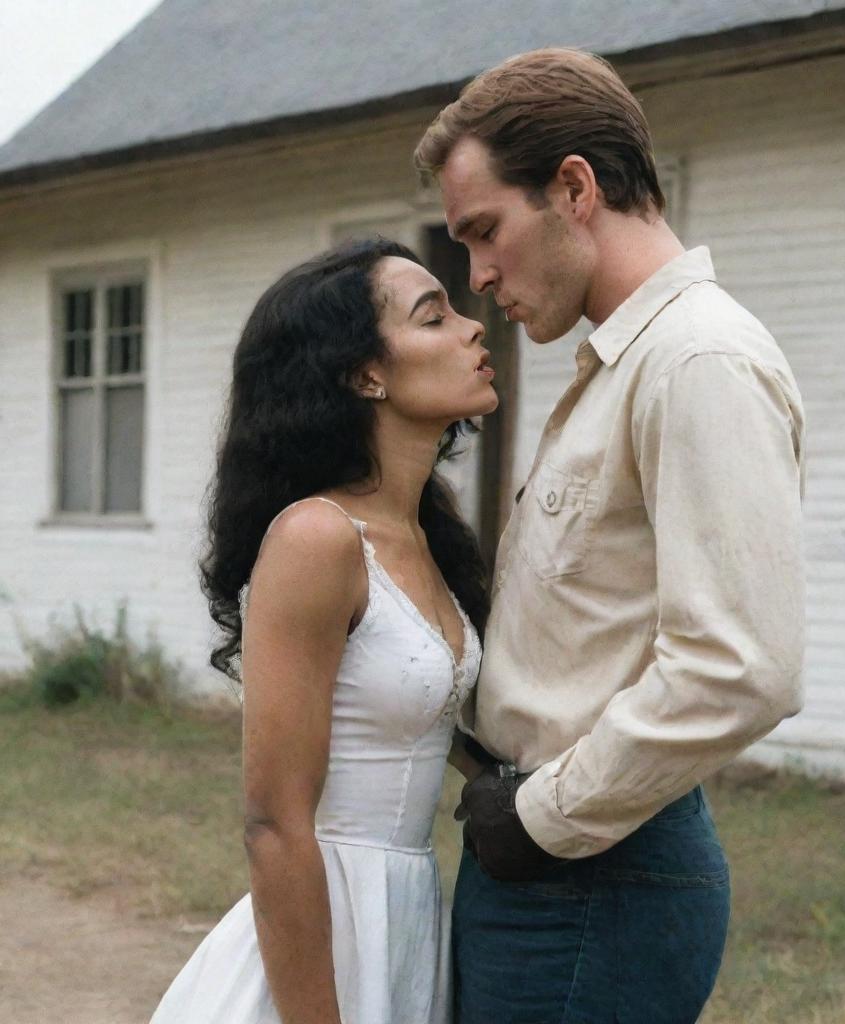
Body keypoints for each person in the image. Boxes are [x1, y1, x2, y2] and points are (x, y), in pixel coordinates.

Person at [414, 48, 806, 1024]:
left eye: (484, 231)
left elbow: (741, 663)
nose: (477, 274)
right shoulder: (623, 364)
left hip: (592, 878)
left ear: (574, 187)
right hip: (548, 866)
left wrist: (540, 817)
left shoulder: (695, 359)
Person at [150, 238, 496, 1024]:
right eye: (434, 316)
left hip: (407, 916)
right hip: (320, 931)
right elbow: (273, 822)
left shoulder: (428, 536)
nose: (474, 328)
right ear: (364, 373)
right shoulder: (318, 537)